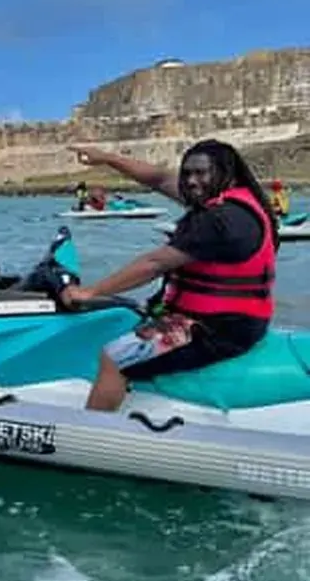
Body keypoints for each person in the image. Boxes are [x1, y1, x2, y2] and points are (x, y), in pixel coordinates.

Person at [61, 139, 279, 412]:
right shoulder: (230, 199)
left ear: (225, 173)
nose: (191, 181)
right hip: (234, 318)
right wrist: (106, 158)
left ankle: (93, 430)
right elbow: (159, 178)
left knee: (114, 357)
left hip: (219, 328)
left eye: (201, 173)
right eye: (187, 173)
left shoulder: (222, 221)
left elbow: (154, 264)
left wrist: (89, 292)